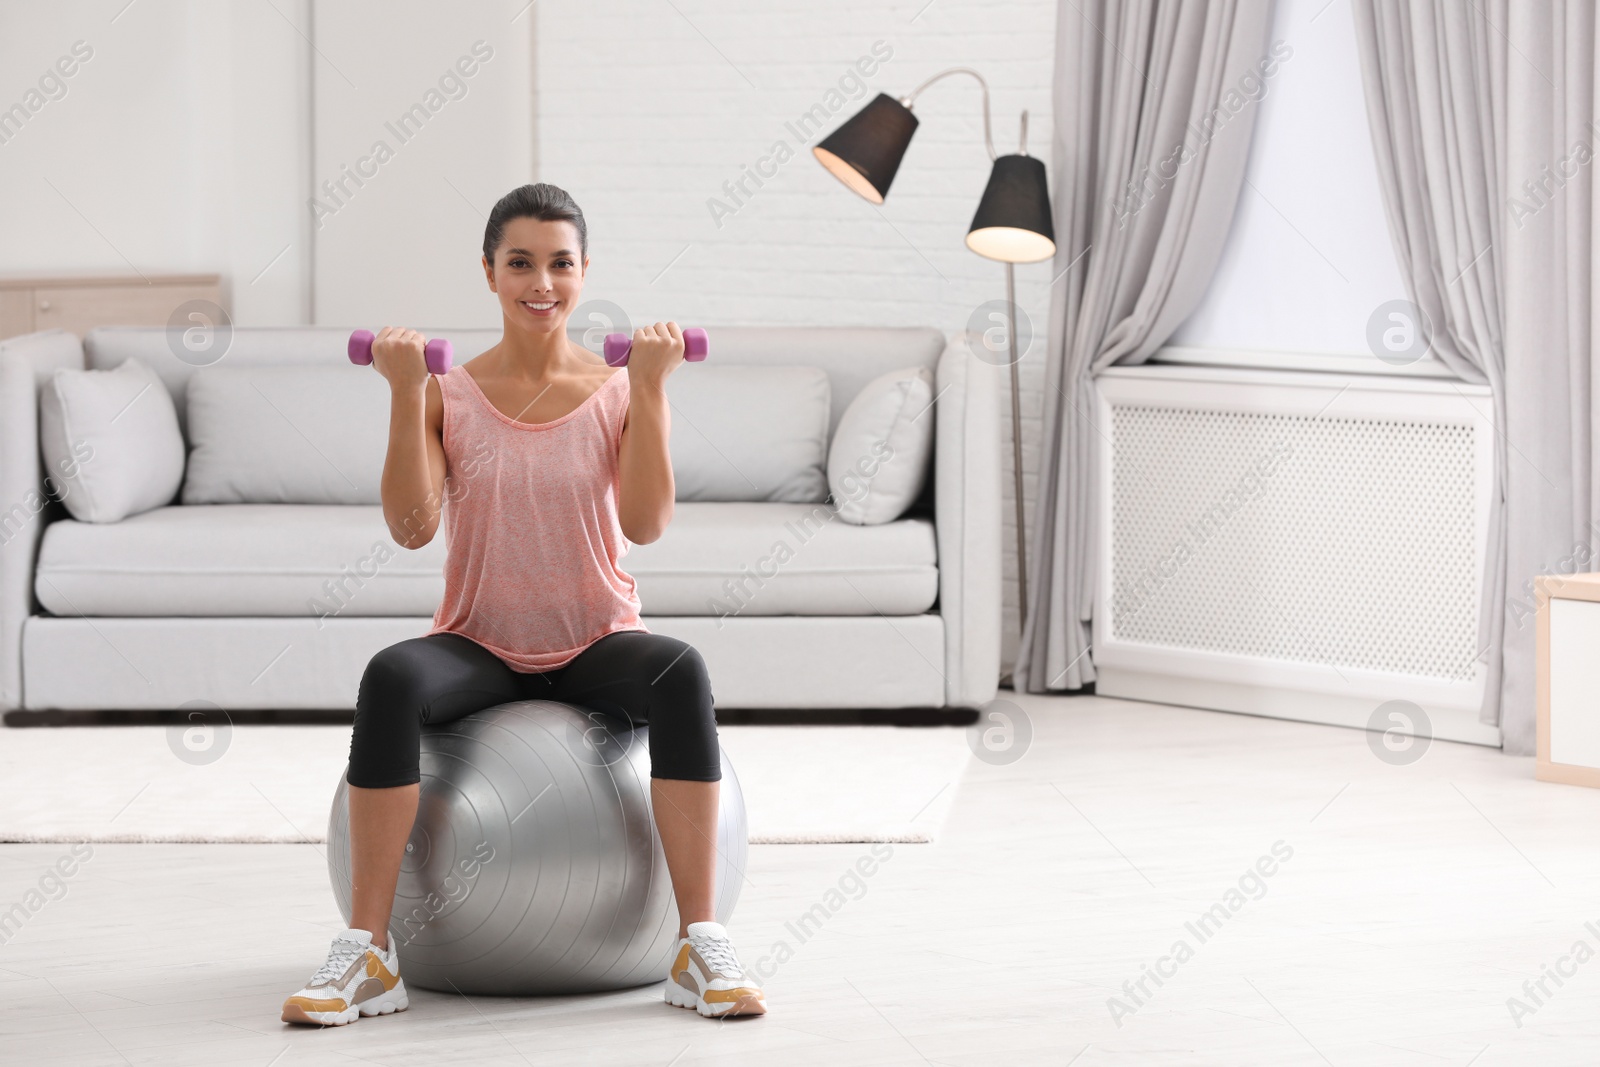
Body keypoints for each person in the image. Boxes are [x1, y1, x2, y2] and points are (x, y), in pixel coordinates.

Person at [280, 182, 766, 1026]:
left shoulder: (616, 389)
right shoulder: (451, 392)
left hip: (595, 640)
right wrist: (404, 393)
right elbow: (409, 527)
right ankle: (368, 952)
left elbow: (646, 526)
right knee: (391, 675)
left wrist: (649, 387)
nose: (542, 282)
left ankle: (697, 943)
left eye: (560, 263)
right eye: (521, 263)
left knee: (681, 668)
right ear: (489, 272)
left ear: (585, 273)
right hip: (480, 643)